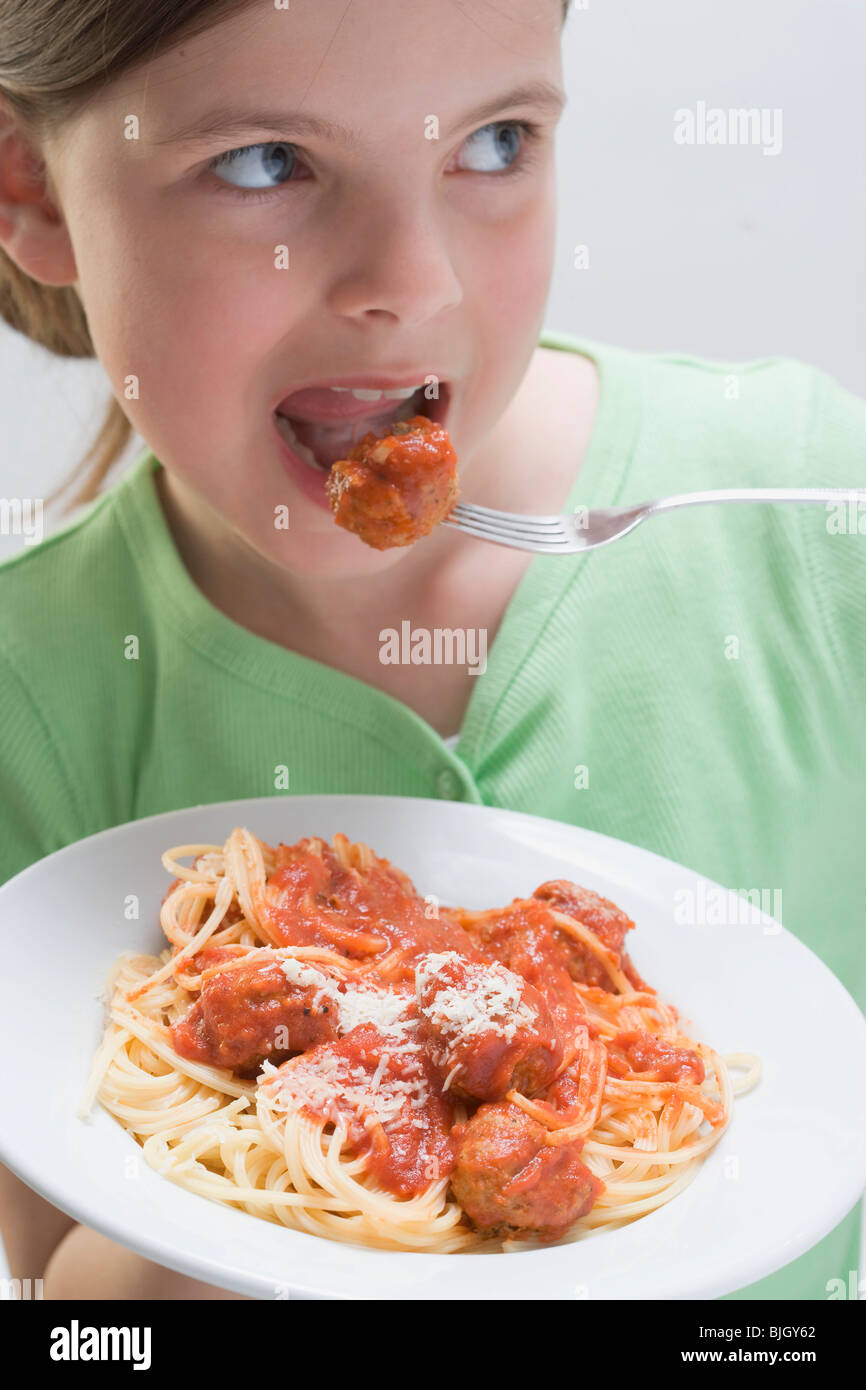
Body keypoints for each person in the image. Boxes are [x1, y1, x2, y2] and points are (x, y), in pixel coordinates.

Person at [0, 0, 863, 1302]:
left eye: (497, 140)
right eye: (264, 162)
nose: (412, 279)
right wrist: (294, 1173)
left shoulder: (802, 508)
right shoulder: (31, 690)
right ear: (33, 191)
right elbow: (71, 1303)